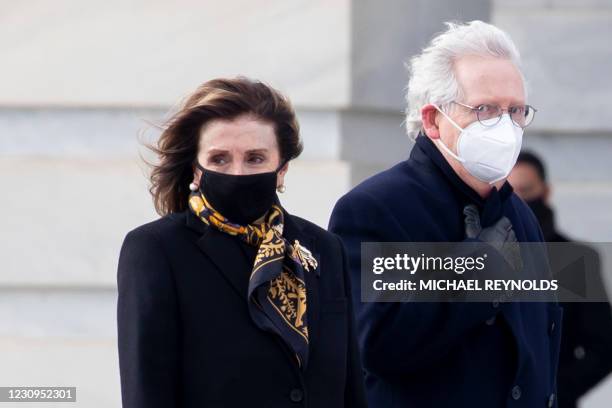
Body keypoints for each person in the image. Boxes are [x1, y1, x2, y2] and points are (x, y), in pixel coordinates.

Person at [329, 21, 562, 407]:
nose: (505, 125)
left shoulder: (519, 214)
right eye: (485, 108)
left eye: (516, 110)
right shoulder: (376, 209)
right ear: (434, 120)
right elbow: (376, 348)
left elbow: (542, 343)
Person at [116, 77, 366, 408]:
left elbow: (350, 386)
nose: (237, 172)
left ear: (282, 169)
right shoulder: (156, 250)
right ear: (196, 170)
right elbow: (147, 390)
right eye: (219, 159)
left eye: (255, 158)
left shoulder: (323, 247)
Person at [509, 151, 612, 408]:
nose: (520, 201)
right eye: (511, 193)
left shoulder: (576, 259)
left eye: (527, 190)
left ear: (545, 192)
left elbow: (604, 347)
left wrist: (556, 391)